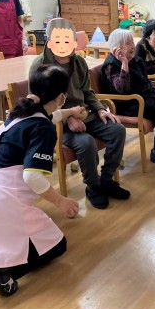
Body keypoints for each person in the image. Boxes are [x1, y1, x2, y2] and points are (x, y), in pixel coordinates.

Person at [0, 65, 82, 296]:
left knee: (22, 240)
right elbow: (31, 176)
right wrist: (61, 201)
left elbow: (51, 115)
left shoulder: (20, 112)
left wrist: (71, 111)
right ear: (60, 97)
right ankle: (0, 272)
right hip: (7, 202)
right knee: (57, 246)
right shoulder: (43, 128)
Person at [31, 18, 130, 210]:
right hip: (57, 123)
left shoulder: (79, 62)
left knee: (117, 130)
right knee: (86, 143)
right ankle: (93, 187)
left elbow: (87, 92)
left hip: (85, 114)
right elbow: (39, 106)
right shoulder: (40, 66)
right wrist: (67, 118)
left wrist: (100, 109)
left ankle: (106, 180)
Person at [100, 29, 155, 167]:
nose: (133, 46)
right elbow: (121, 89)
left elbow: (145, 81)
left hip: (145, 99)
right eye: (128, 44)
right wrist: (124, 64)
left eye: (132, 42)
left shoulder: (136, 60)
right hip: (128, 104)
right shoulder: (111, 65)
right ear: (117, 48)